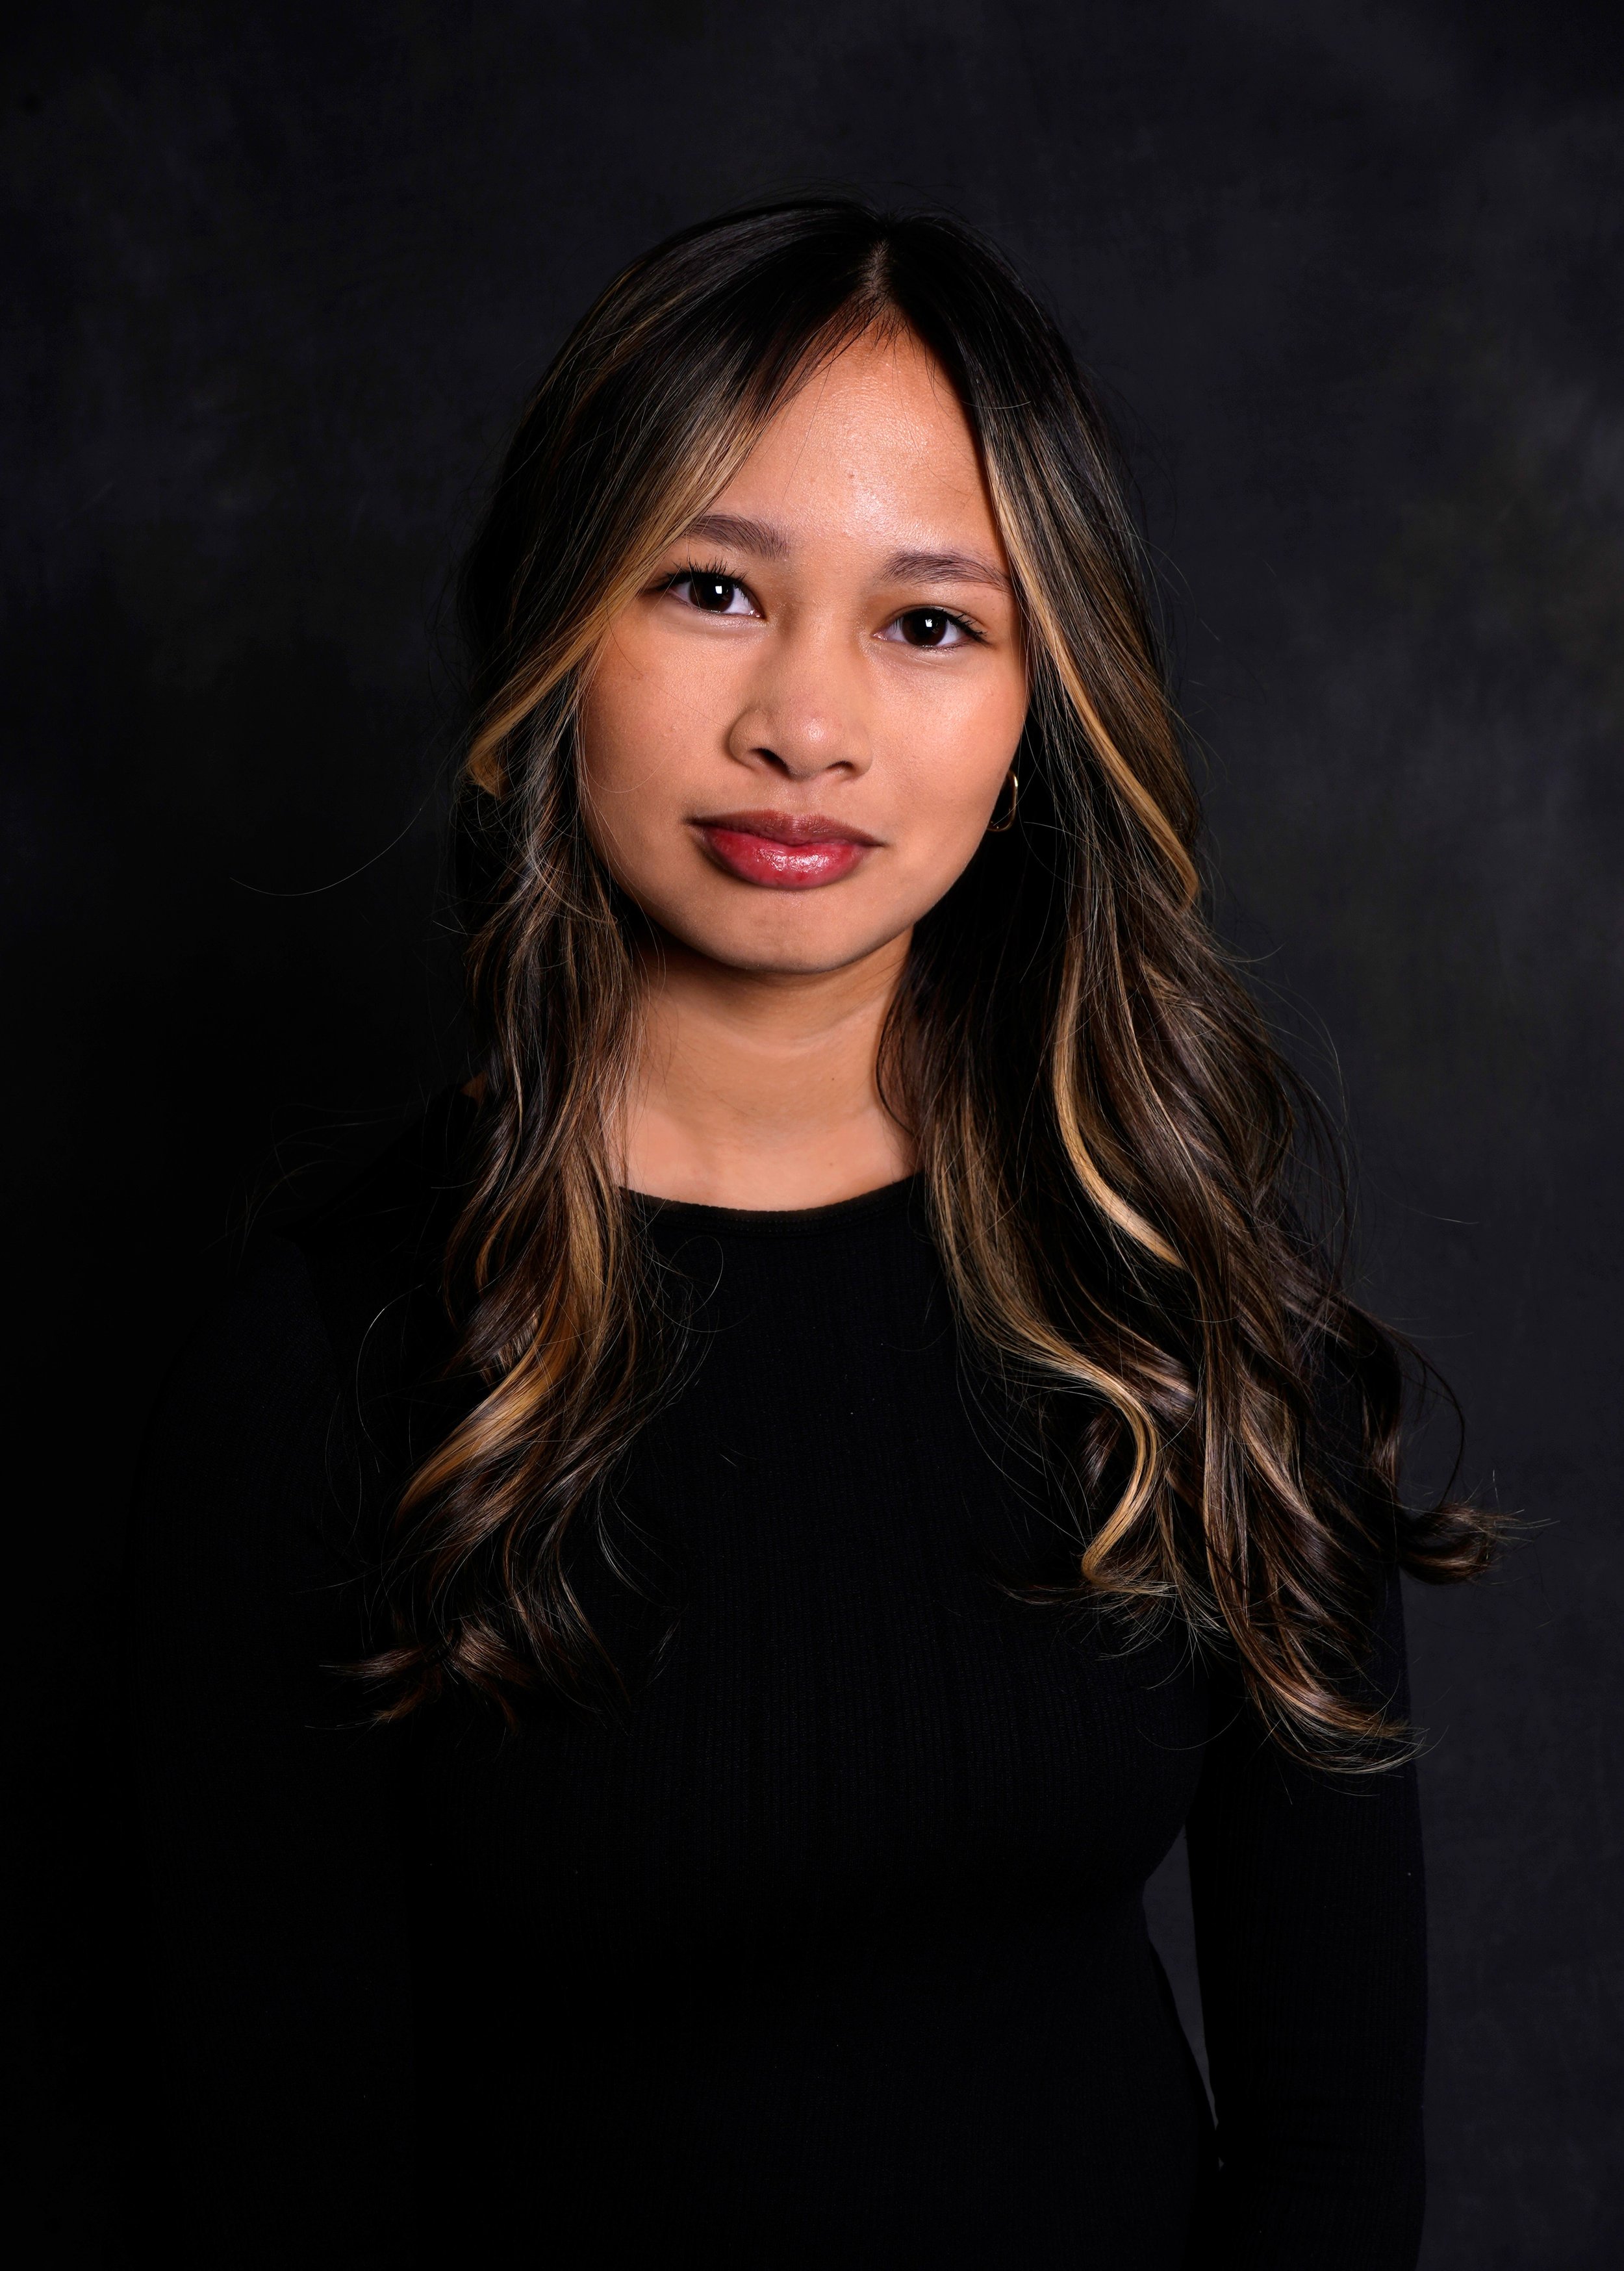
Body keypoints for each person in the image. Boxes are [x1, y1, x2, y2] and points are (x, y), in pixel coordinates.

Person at [128, 200, 1493, 2269]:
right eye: (708, 587)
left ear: (1048, 695)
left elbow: (1326, 2149)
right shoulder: (331, 1360)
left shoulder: (1189, 1333)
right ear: (555, 628)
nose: (806, 722)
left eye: (928, 623)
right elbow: (265, 2175)